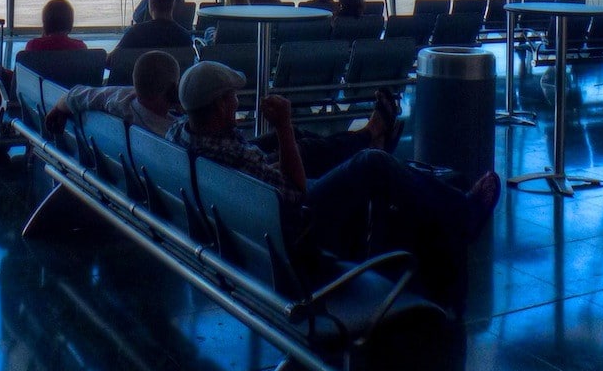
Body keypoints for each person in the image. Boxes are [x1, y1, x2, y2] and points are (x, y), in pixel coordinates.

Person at [170, 62, 500, 303]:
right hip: (295, 234)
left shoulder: (184, 135)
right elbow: (297, 193)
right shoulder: (233, 155)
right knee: (371, 164)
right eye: (231, 97)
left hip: (250, 225)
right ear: (218, 105)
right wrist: (283, 125)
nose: (236, 101)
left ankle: (379, 150)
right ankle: (464, 211)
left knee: (331, 158)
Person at [45, 50, 181, 139]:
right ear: (174, 90)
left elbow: (74, 95)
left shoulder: (118, 101)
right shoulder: (174, 133)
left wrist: (58, 108)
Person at [109, 0, 193, 64]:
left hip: (138, 77)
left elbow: (112, 60)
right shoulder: (184, 37)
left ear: (151, 4)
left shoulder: (135, 33)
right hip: (173, 77)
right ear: (172, 4)